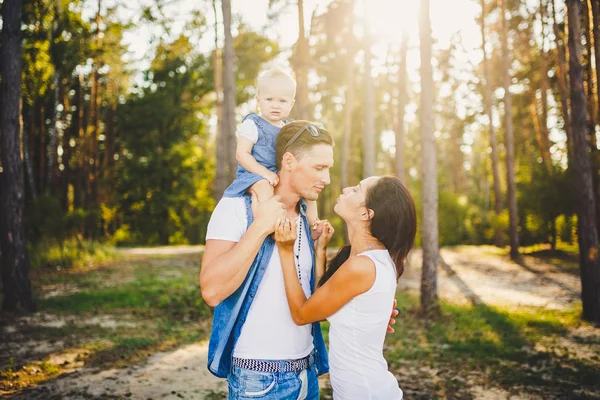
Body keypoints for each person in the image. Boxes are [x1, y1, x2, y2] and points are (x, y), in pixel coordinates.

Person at [200, 121, 335, 399]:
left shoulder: (308, 220)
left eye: (328, 168)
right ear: (289, 161)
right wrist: (261, 226)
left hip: (307, 374)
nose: (327, 178)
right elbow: (212, 291)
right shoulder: (236, 207)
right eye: (319, 168)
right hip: (259, 381)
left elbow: (312, 300)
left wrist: (319, 250)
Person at [274, 175, 417, 400]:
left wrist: (284, 250)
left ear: (365, 213)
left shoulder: (362, 266)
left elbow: (303, 314)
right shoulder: (374, 259)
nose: (347, 188)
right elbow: (323, 305)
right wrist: (320, 251)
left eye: (357, 189)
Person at [223, 69, 319, 234]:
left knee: (308, 186)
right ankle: (273, 226)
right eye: (269, 99)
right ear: (258, 100)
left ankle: (314, 224)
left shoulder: (289, 128)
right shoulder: (253, 124)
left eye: (282, 101)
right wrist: (265, 173)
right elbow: (242, 154)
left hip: (279, 173)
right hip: (255, 173)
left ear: (291, 104)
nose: (275, 105)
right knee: (264, 188)